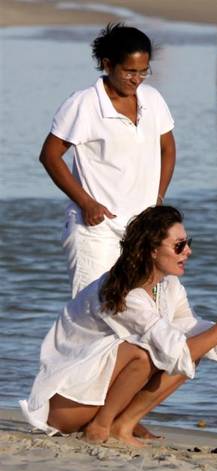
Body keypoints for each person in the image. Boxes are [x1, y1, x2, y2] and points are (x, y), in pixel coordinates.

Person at [19, 206, 217, 448]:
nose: (188, 251)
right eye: (179, 246)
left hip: (97, 391)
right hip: (69, 406)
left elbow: (198, 338)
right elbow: (177, 350)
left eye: (188, 243)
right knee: (142, 353)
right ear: (152, 250)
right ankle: (100, 426)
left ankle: (123, 424)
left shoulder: (168, 286)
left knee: (192, 349)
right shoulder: (127, 294)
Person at [39, 22, 176, 297]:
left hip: (142, 231)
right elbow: (50, 156)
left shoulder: (153, 99)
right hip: (96, 231)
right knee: (92, 314)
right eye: (129, 72)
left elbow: (168, 150)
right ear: (107, 64)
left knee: (144, 314)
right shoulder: (84, 104)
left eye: (143, 71)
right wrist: (86, 202)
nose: (137, 79)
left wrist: (157, 200)